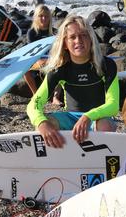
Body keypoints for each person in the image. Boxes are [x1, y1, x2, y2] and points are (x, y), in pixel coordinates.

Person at [27, 15, 118, 147]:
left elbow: (113, 105)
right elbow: (34, 104)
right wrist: (41, 122)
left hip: (97, 119)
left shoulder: (106, 65)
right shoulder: (58, 69)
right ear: (64, 43)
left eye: (83, 35)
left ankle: (101, 161)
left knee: (104, 125)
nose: (78, 40)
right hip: (70, 118)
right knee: (45, 125)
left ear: (91, 39)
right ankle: (56, 163)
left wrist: (88, 116)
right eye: (72, 37)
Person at [23, 5, 54, 94]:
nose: (44, 18)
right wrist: (40, 60)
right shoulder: (32, 32)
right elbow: (32, 51)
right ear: (36, 17)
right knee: (26, 71)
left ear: (49, 18)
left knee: (61, 67)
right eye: (41, 16)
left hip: (50, 60)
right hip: (37, 60)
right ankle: (35, 94)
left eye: (46, 16)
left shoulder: (53, 32)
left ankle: (56, 96)